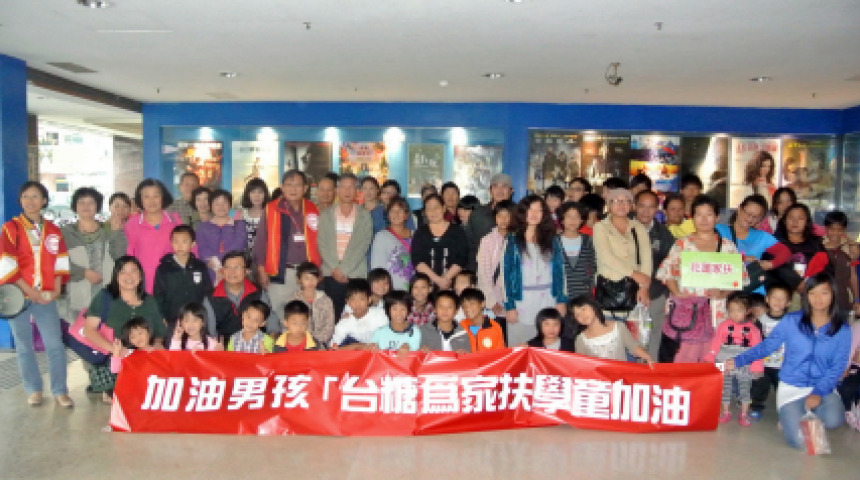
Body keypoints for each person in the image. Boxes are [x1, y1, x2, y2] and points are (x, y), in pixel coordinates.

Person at [726, 273, 851, 450]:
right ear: (806, 295)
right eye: (812, 293)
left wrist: (818, 392)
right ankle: (794, 416)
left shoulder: (842, 329)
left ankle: (805, 414)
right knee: (801, 443)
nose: (818, 298)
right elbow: (767, 346)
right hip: (792, 386)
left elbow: (838, 365)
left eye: (824, 293)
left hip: (823, 386)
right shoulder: (792, 321)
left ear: (833, 295)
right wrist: (739, 360)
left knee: (834, 420)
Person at [0, 181, 72, 407]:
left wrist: (57, 288)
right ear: (20, 200)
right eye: (25, 196)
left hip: (47, 296)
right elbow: (6, 263)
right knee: (24, 346)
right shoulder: (10, 229)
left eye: (35, 196)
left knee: (55, 344)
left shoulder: (53, 230)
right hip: (18, 296)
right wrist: (29, 291)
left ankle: (60, 390)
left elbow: (61, 261)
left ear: (44, 201)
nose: (30, 201)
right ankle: (33, 389)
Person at [656, 195, 747, 363]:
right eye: (699, 214)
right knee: (683, 358)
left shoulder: (727, 246)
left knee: (712, 357)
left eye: (709, 214)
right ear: (692, 218)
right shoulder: (682, 244)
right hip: (686, 311)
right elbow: (667, 272)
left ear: (717, 217)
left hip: (716, 310)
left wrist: (722, 293)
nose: (704, 219)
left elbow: (737, 278)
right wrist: (677, 293)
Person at [82, 256, 169, 400]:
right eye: (123, 272)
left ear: (140, 276)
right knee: (126, 399)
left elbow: (160, 332)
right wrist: (115, 350)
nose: (129, 276)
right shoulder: (105, 297)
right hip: (114, 362)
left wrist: (157, 345)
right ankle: (110, 389)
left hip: (143, 361)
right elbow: (88, 330)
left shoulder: (149, 301)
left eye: (133, 271)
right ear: (116, 276)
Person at [254, 170, 322, 325]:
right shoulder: (271, 209)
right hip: (281, 272)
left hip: (307, 273)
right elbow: (261, 241)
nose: (293, 189)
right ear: (282, 187)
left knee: (307, 315)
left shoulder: (313, 209)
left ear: (305, 188)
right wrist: (261, 269)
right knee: (282, 314)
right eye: (289, 185)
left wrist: (320, 269)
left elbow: (322, 240)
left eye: (297, 185)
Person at [501, 195, 568, 347]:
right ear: (522, 212)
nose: (534, 214)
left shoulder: (552, 239)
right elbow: (505, 276)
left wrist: (561, 300)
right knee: (520, 349)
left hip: (548, 300)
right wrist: (510, 307)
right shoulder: (512, 240)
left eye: (539, 210)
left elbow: (560, 272)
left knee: (547, 348)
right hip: (521, 302)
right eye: (530, 209)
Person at [61, 187, 125, 318]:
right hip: (78, 294)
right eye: (81, 202)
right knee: (80, 329)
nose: (86, 206)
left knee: (108, 329)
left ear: (97, 206)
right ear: (75, 206)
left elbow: (119, 256)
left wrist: (116, 233)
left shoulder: (108, 229)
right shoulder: (65, 233)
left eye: (91, 202)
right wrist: (84, 272)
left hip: (107, 293)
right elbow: (59, 263)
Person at [318, 173, 372, 319]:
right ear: (337, 190)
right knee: (333, 315)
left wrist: (344, 270)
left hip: (355, 274)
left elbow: (363, 244)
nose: (347, 191)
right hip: (332, 273)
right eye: (343, 187)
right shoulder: (326, 215)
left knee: (357, 315)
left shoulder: (364, 215)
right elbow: (322, 243)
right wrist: (336, 269)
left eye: (351, 187)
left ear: (357, 191)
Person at [704, 292, 763, 426]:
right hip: (724, 359)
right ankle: (725, 411)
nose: (734, 314)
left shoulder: (753, 329)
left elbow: (757, 350)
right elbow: (716, 343)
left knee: (745, 388)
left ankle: (744, 413)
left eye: (739, 310)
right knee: (725, 387)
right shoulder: (723, 325)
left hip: (745, 361)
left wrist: (757, 367)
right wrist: (710, 357)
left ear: (748, 310)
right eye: (731, 310)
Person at [592, 188, 652, 316]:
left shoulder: (638, 227)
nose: (621, 204)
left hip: (634, 288)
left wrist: (644, 286)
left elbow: (646, 258)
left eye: (626, 201)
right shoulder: (600, 227)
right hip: (609, 288)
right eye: (616, 201)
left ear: (631, 206)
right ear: (609, 205)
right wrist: (633, 273)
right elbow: (605, 257)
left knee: (634, 325)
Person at [716, 194, 792, 294]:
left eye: (756, 217)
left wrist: (770, 264)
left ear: (761, 219)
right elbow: (708, 257)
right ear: (739, 209)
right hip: (724, 290)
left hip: (753, 292)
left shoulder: (762, 236)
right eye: (748, 214)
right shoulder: (718, 230)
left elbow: (785, 252)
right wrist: (744, 259)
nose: (750, 218)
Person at [634, 190, 675, 360]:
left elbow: (671, 264)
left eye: (651, 207)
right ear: (634, 206)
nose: (646, 211)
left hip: (655, 295)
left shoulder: (663, 234)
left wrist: (665, 293)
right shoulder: (623, 228)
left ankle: (650, 371)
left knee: (653, 337)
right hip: (626, 295)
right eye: (642, 206)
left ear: (657, 209)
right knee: (629, 339)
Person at [125, 179, 183, 294]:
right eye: (146, 196)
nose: (151, 201)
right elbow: (129, 256)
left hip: (171, 284)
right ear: (140, 199)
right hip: (142, 286)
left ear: (163, 197)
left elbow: (189, 251)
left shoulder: (175, 221)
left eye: (156, 196)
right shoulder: (131, 225)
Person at [152, 225, 213, 334]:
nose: (179, 245)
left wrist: (204, 314)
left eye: (184, 241)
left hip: (196, 319)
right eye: (176, 241)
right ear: (171, 243)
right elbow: (158, 295)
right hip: (173, 319)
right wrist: (161, 316)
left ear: (193, 244)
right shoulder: (164, 268)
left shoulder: (199, 266)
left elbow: (207, 291)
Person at [207, 250, 279, 342]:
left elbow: (270, 319)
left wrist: (270, 341)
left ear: (247, 271)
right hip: (225, 347)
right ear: (223, 271)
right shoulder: (211, 297)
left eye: (237, 267)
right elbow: (211, 332)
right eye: (228, 267)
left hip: (256, 345)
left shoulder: (258, 293)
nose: (232, 272)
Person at [749, 282, 792, 418]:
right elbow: (755, 341)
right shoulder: (761, 320)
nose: (778, 301)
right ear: (767, 299)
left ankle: (785, 411)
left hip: (784, 364)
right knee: (759, 387)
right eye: (774, 297)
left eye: (782, 298)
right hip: (764, 363)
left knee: (783, 389)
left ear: (788, 302)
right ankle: (756, 407)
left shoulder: (791, 321)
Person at [570, 295, 654, 363]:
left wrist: (647, 357)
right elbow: (582, 364)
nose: (582, 315)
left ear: (593, 306)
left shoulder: (618, 327)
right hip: (598, 378)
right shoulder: (581, 339)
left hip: (620, 376)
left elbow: (633, 347)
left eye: (583, 309)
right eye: (577, 315)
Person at [411, 194, 469, 291]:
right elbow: (417, 260)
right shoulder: (420, 232)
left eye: (436, 207)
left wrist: (445, 279)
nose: (433, 211)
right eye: (429, 208)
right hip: (426, 288)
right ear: (425, 212)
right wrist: (437, 280)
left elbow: (461, 258)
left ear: (444, 208)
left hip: (452, 285)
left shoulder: (457, 231)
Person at [774, 203, 832, 298]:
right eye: (791, 218)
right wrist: (797, 282)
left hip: (812, 294)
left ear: (807, 222)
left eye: (800, 218)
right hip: (781, 296)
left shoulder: (816, 243)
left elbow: (827, 269)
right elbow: (774, 266)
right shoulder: (774, 243)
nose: (795, 222)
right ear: (784, 221)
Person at [465, 173, 514, 271]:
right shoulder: (477, 214)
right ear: (490, 190)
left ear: (511, 191)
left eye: (504, 186)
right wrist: (472, 270)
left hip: (512, 270)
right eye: (495, 186)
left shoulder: (519, 214)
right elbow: (470, 245)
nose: (499, 190)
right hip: (482, 269)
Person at [196, 189, 248, 283]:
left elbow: (239, 245)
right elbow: (202, 249)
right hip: (210, 272)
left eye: (224, 202)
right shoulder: (203, 227)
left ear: (230, 205)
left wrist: (218, 260)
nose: (221, 206)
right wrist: (216, 267)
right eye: (217, 203)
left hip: (234, 271)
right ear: (211, 206)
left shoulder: (239, 225)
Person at [476, 200, 516, 322]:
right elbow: (483, 273)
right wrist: (491, 301)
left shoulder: (520, 240)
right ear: (495, 217)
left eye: (508, 215)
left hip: (517, 303)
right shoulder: (487, 241)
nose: (503, 219)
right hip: (495, 302)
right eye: (500, 215)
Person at [329, 279, 388, 349]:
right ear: (347, 302)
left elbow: (388, 338)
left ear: (369, 300)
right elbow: (333, 347)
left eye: (361, 299)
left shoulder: (380, 314)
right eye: (353, 299)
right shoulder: (344, 322)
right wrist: (357, 346)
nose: (357, 304)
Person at [370, 196, 413, 291]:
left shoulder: (416, 235)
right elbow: (378, 267)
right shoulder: (381, 236)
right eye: (392, 211)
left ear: (406, 215)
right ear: (388, 215)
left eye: (400, 211)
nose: (396, 214)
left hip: (415, 289)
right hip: (392, 290)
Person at [821, 210, 860, 314]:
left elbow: (852, 275)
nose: (835, 233)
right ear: (826, 228)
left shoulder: (850, 248)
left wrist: (856, 299)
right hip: (821, 301)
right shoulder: (818, 246)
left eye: (840, 230)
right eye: (832, 229)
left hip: (842, 300)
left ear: (844, 230)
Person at [287, 261, 335, 345]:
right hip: (299, 342)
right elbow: (289, 324)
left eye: (314, 277)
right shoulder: (294, 299)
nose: (311, 281)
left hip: (321, 343)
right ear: (299, 280)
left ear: (318, 279)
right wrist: (303, 341)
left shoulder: (326, 300)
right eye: (306, 278)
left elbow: (329, 326)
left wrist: (315, 341)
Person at [557, 201, 596, 300]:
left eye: (577, 216)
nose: (572, 220)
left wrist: (590, 283)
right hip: (560, 294)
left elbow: (593, 264)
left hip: (584, 293)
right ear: (562, 220)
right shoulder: (554, 241)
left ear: (582, 220)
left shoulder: (588, 240)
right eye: (568, 216)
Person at [235, 177, 270, 263]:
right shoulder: (241, 213)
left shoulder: (270, 214)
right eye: (253, 192)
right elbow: (236, 238)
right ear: (247, 194)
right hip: (245, 259)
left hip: (266, 259)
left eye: (260, 192)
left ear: (265, 194)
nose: (256, 196)